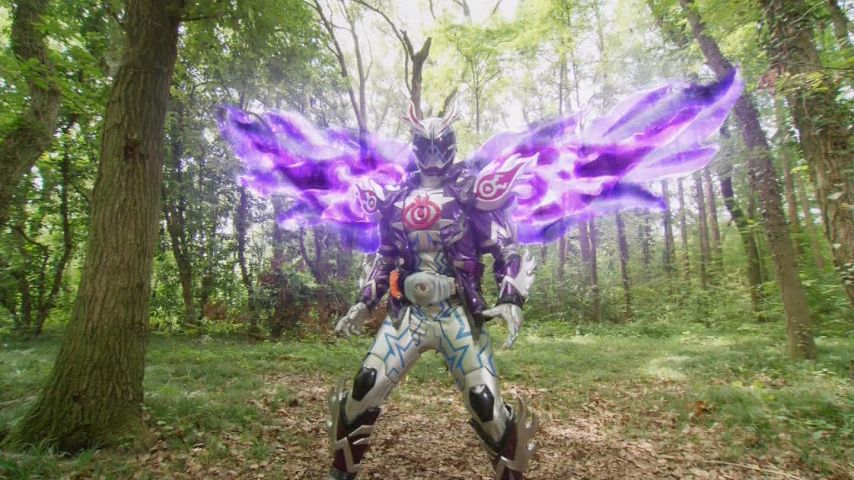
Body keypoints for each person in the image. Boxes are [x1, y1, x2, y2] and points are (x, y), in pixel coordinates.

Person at [326, 105, 537, 480]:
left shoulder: (471, 195)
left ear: (452, 145)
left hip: (457, 312)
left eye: (441, 146)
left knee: (486, 405)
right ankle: (341, 473)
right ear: (416, 147)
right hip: (408, 315)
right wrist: (363, 302)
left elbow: (506, 249)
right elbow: (385, 257)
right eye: (427, 146)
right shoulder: (396, 199)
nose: (434, 155)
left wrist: (510, 298)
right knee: (364, 387)